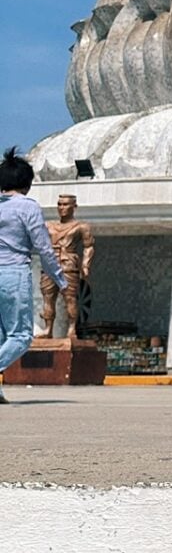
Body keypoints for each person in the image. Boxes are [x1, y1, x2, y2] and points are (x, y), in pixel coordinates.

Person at [0, 148, 69, 402]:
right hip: (13, 273)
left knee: (0, 337)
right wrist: (61, 279)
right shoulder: (28, 207)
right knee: (20, 336)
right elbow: (43, 247)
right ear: (27, 184)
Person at [37, 193, 94, 340]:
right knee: (48, 298)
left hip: (68, 263)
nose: (62, 208)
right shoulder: (48, 225)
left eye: (66, 204)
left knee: (70, 298)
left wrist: (86, 265)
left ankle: (71, 328)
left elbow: (89, 246)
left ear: (74, 207)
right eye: (59, 204)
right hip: (50, 264)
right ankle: (48, 329)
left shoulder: (81, 226)